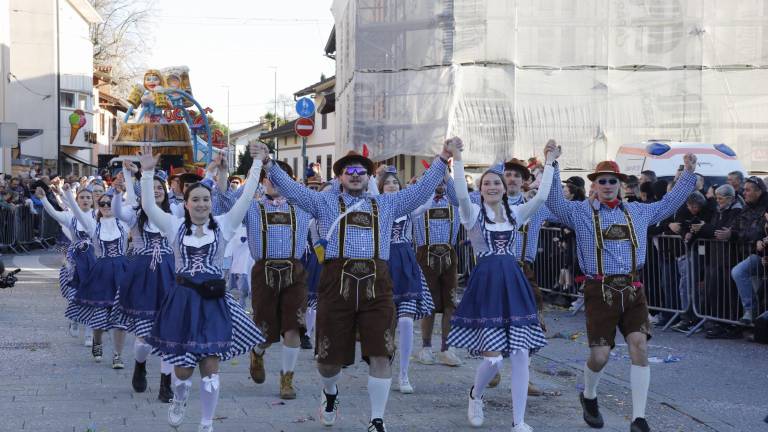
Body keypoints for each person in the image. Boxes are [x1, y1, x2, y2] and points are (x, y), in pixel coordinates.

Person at [253, 139, 460, 432]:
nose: (354, 174)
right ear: (339, 176)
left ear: (369, 177)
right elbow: (292, 189)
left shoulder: (388, 203)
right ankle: (330, 394)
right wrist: (268, 162)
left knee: (380, 351)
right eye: (348, 170)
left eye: (360, 170)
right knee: (328, 362)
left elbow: (420, 190)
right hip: (336, 284)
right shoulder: (323, 202)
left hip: (378, 285)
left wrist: (443, 158)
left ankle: (377, 420)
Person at [547, 153, 698, 432]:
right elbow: (553, 201)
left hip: (632, 287)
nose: (607, 185)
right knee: (600, 356)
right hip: (599, 289)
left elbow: (670, 203)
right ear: (594, 185)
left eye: (612, 181)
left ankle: (638, 418)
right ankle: (589, 395)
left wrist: (688, 173)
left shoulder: (638, 211)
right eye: (601, 181)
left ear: (619, 184)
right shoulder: (580, 212)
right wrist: (551, 165)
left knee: (639, 344)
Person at [138, 144, 265, 432]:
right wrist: (147, 173)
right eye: (195, 199)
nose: (201, 204)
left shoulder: (224, 223)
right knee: (182, 371)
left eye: (206, 199)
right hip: (182, 302)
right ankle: (179, 400)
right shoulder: (172, 225)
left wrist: (256, 163)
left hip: (213, 301)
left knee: (210, 368)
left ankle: (207, 423)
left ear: (211, 202)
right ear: (186, 203)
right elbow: (147, 206)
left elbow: (246, 198)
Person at [448, 141, 556, 432]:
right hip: (486, 284)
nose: (494, 187)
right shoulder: (471, 213)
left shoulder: (515, 213)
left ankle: (519, 420)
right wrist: (457, 157)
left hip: (513, 281)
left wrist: (550, 161)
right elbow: (459, 189)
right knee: (494, 361)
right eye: (488, 183)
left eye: (497, 182)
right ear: (481, 188)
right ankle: (476, 394)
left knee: (521, 353)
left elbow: (543, 196)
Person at [245, 160, 312, 401]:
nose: (273, 182)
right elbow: (224, 203)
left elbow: (333, 197)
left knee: (293, 326)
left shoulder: (303, 208)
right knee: (264, 331)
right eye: (269, 178)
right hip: (264, 271)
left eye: (280, 177)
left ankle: (287, 380)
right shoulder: (251, 208)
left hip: (294, 271)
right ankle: (257, 351)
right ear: (262, 182)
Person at [111, 163, 176, 402]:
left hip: (169, 274)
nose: (157, 190)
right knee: (144, 334)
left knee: (169, 331)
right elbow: (117, 211)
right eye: (153, 187)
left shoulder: (175, 212)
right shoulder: (135, 213)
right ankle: (140, 364)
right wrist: (117, 192)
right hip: (143, 275)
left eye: (161, 187)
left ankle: (165, 384)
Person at [378, 166, 435, 394]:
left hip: (407, 264)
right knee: (386, 322)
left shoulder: (409, 209)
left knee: (406, 321)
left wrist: (433, 175)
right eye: (388, 182)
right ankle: (384, 367)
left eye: (395, 182)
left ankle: (404, 374)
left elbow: (427, 199)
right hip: (383, 264)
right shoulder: (377, 207)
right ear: (381, 187)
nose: (392, 185)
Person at [60, 184, 129, 368]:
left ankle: (117, 355)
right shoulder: (93, 224)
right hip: (102, 271)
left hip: (122, 269)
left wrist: (123, 188)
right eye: (103, 203)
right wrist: (67, 193)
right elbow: (77, 212)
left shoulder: (124, 223)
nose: (106, 206)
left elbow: (135, 203)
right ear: (98, 206)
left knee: (120, 315)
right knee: (100, 314)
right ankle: (97, 342)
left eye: (110, 203)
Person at [414, 166, 462, 368]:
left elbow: (459, 194)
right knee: (428, 304)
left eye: (442, 180)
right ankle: (425, 347)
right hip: (425, 255)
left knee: (451, 303)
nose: (439, 184)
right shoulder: (418, 202)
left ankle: (447, 348)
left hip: (449, 255)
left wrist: (447, 175)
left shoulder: (455, 203)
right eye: (436, 180)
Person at [37, 185, 96, 344]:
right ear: (76, 200)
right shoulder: (70, 216)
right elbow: (54, 214)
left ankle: (90, 332)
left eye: (88, 197)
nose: (85, 200)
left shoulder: (97, 215)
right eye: (82, 197)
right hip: (74, 260)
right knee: (74, 294)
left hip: (93, 260)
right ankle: (75, 319)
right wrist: (43, 199)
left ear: (93, 201)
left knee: (93, 296)